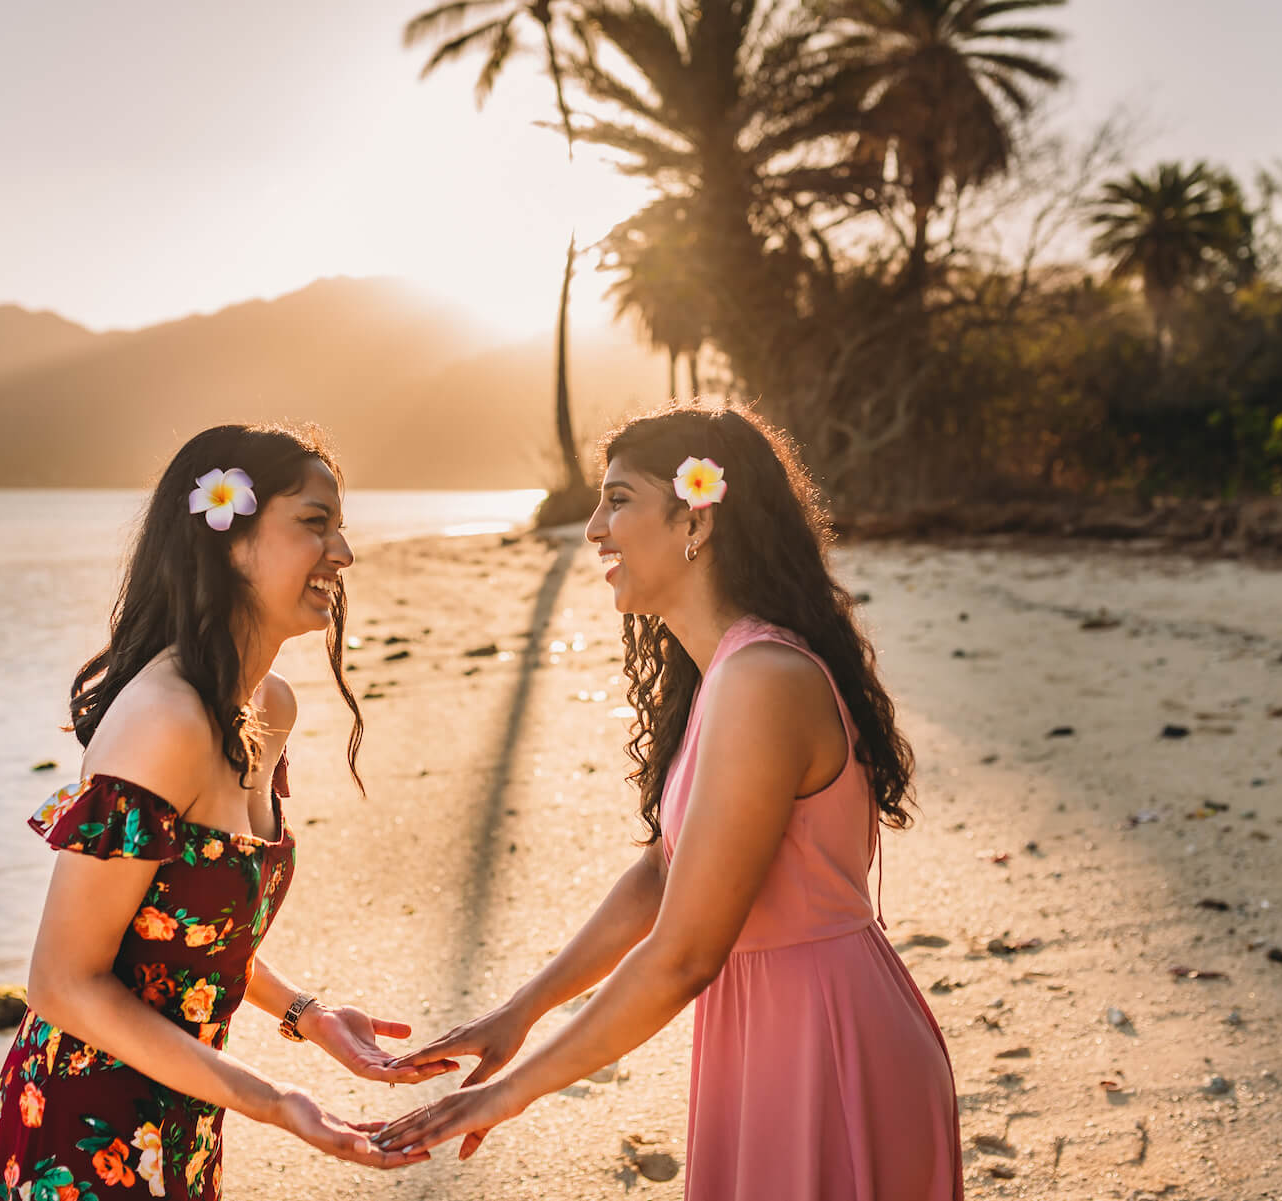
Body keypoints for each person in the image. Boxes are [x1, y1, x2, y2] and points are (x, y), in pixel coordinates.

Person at [376, 402, 962, 1199]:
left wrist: (508, 1096)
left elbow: (686, 953)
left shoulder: (762, 680)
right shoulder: (726, 674)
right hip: (764, 1034)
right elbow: (664, 871)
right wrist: (523, 1009)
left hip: (826, 1039)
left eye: (618, 499)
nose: (593, 529)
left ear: (696, 517)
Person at [0, 424, 452, 1201]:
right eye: (314, 522)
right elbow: (62, 982)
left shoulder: (270, 708)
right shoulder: (163, 719)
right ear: (228, 539)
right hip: (84, 1129)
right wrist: (273, 1100)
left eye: (341, 527)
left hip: (185, 1110)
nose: (343, 553)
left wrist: (308, 1014)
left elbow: (181, 931)